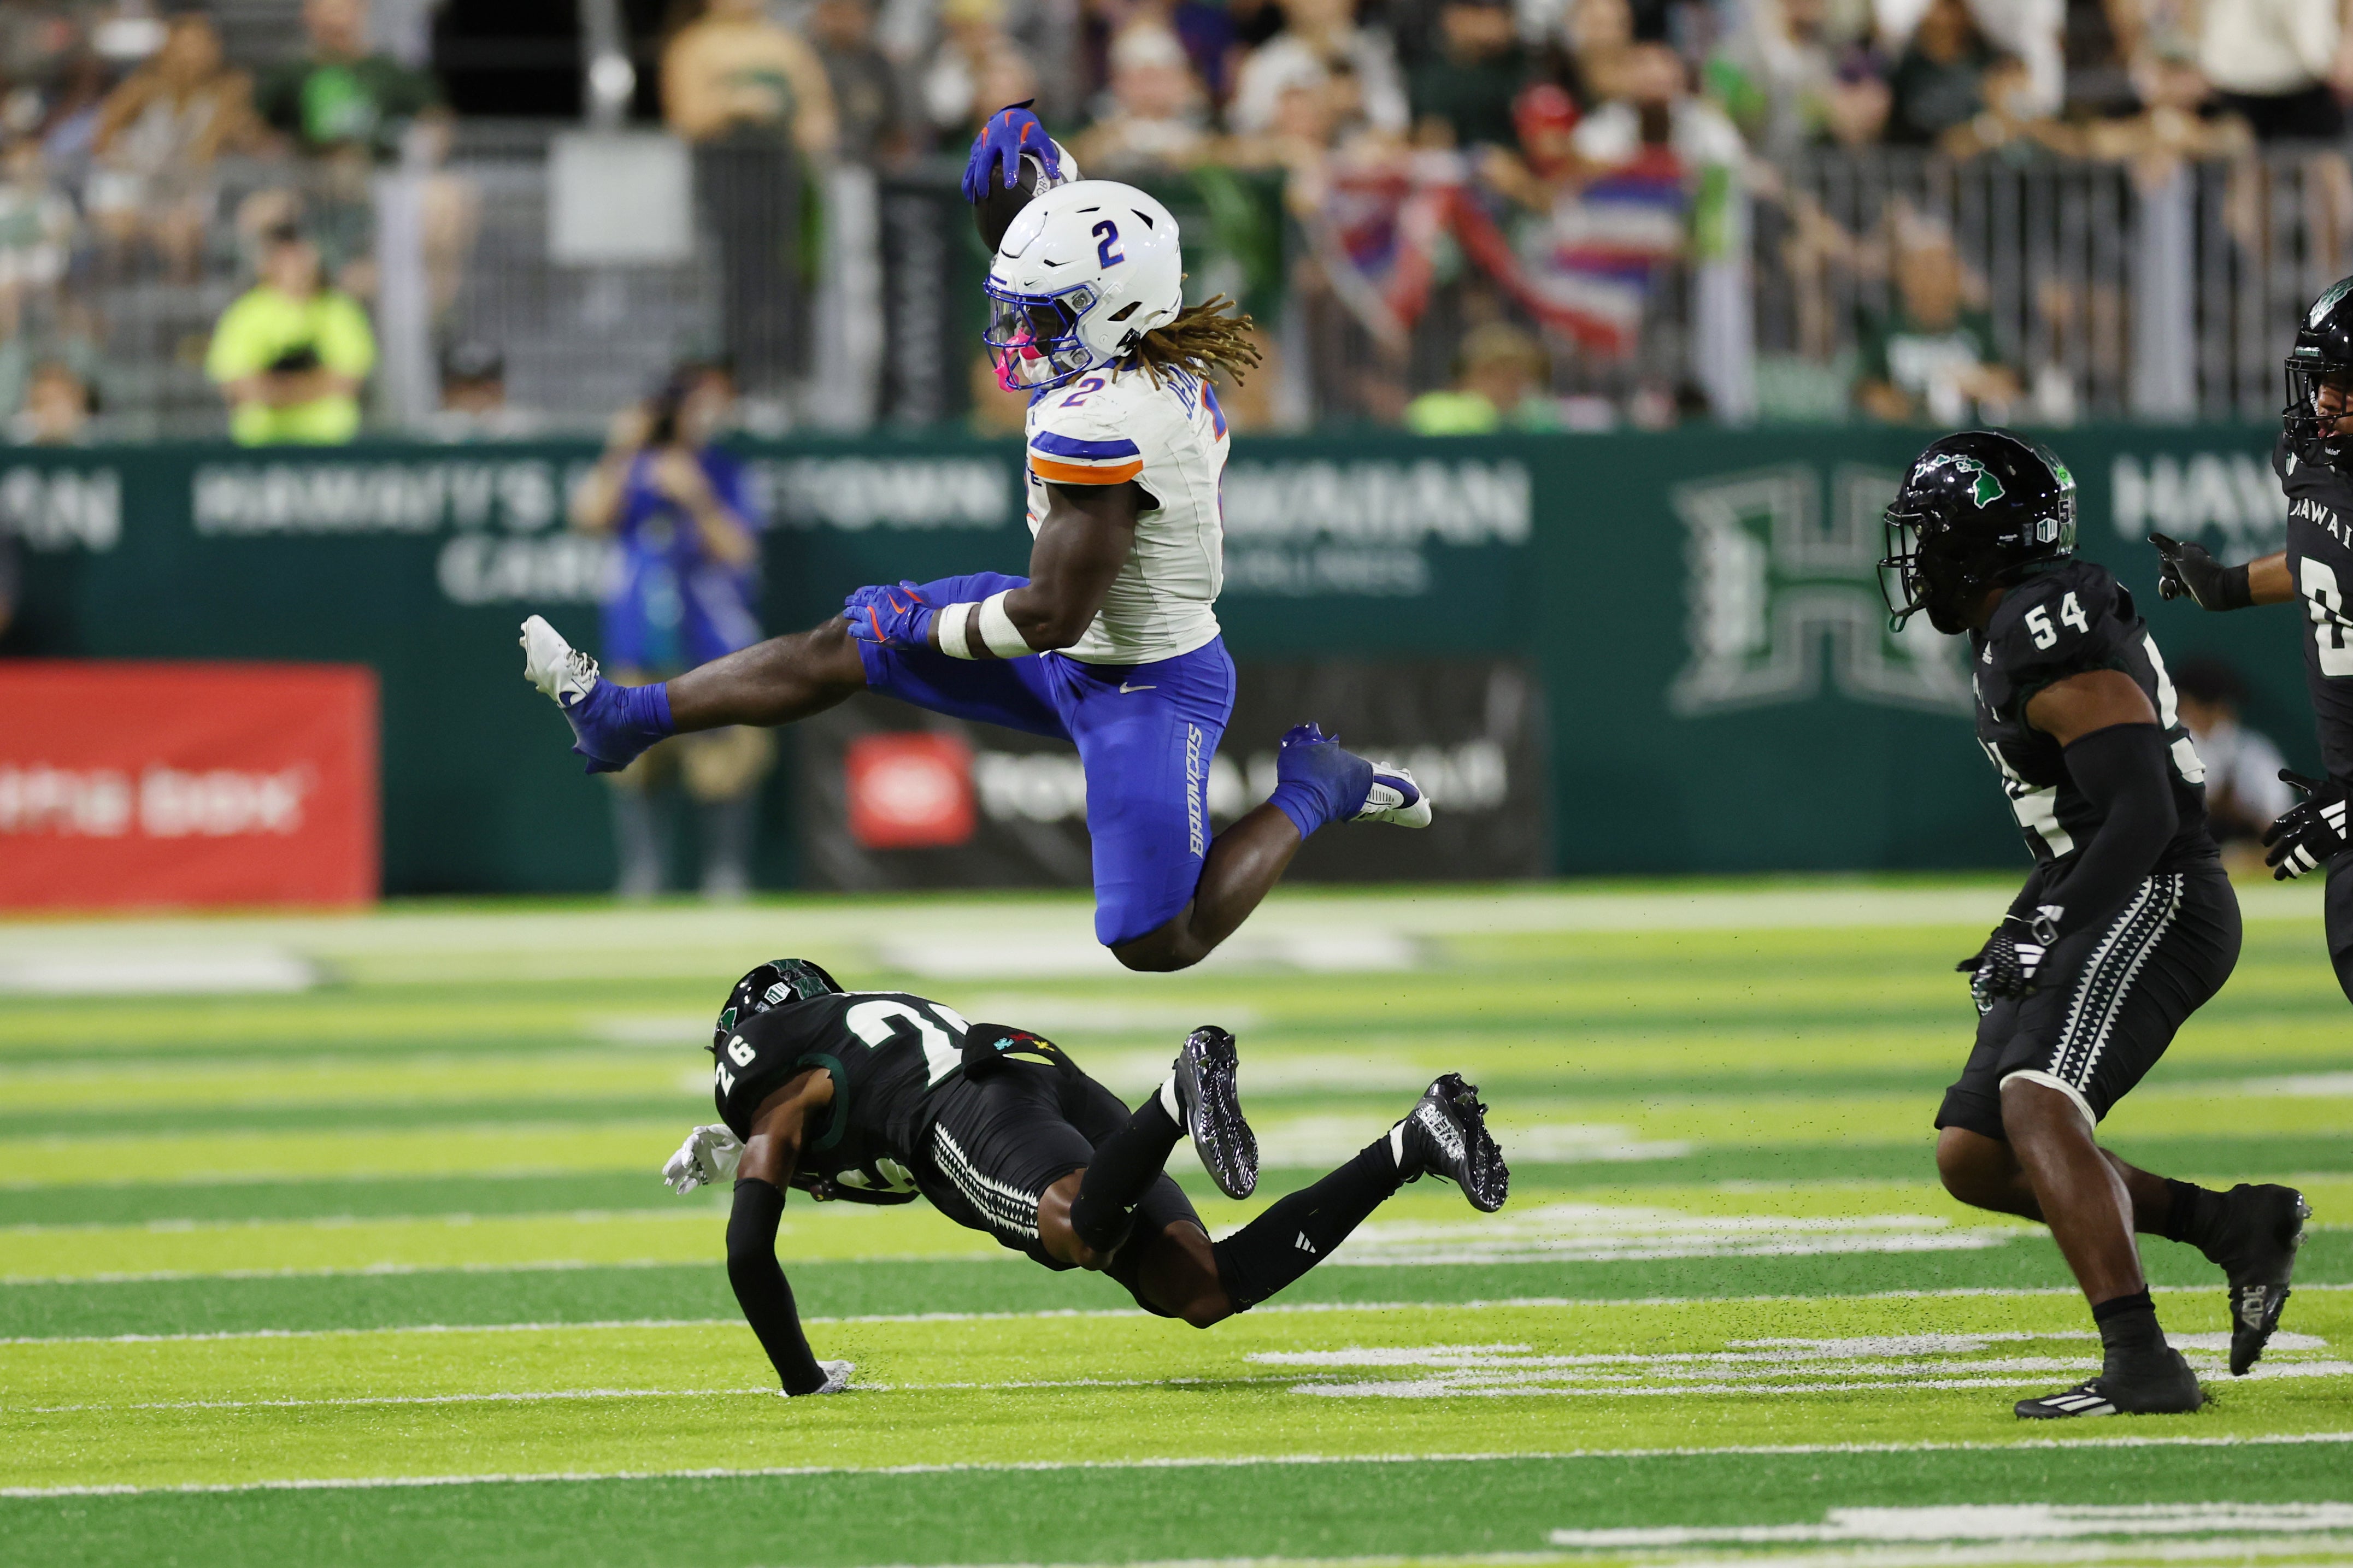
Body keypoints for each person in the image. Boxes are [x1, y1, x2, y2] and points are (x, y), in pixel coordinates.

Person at [522, 115, 1431, 972]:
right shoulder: (1135, 337)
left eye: (1044, 314)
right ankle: (625, 718)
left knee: (1156, 938)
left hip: (1143, 678)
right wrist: (1031, 185)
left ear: (1111, 313)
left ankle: (1318, 786)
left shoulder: (1113, 414)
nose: (1020, 331)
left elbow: (1048, 615)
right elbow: (1088, 250)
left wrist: (921, 626)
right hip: (1082, 641)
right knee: (849, 643)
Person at [1880, 429, 2308, 1418]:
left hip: (2157, 892)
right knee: (1976, 1154)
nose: (1916, 557)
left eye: (1930, 535)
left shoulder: (2044, 625)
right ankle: (2232, 1224)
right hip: (2105, 882)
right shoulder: (2021, 620)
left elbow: (2150, 813)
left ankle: (2143, 1362)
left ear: (1977, 544)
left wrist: (2051, 919)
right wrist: (2028, 916)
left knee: (2036, 1104)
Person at [658, 959, 1509, 1394]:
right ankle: (1414, 1141)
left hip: (965, 1104)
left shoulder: (771, 1085)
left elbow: (748, 1252)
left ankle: (1179, 1096)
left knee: (1073, 1232)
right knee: (1202, 1286)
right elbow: (872, 1157)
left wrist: (801, 1375)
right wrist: (758, 1154)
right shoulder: (853, 1035)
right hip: (1029, 1066)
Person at [2150, 273, 2353, 1002]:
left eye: (2343, 381)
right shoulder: (2314, 462)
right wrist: (2229, 585)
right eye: (2319, 377)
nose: (2322, 399)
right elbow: (2329, 559)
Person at [566, 363, 771, 901]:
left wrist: (695, 496)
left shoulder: (721, 471)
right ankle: (644, 876)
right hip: (640, 637)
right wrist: (619, 452)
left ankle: (726, 875)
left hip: (712, 642)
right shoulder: (628, 473)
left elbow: (740, 551)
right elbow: (586, 516)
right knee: (633, 763)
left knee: (725, 761)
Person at [85, 11, 257, 281]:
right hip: (138, 184)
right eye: (187, 45)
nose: (194, 54)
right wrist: (124, 160)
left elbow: (218, 144)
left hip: (186, 189)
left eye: (203, 44)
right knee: (116, 233)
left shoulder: (229, 90)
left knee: (182, 238)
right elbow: (103, 133)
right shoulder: (145, 86)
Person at [204, 225, 375, 445]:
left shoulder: (340, 311)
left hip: (330, 443)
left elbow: (348, 380)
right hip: (262, 444)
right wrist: (312, 386)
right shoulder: (245, 314)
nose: (298, 269)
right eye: (289, 260)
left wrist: (276, 390)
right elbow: (236, 385)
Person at [1854, 221, 2019, 425]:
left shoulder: (1977, 327)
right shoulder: (1889, 331)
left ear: (1957, 275)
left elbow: (2007, 381)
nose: (1933, 280)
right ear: (1906, 277)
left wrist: (1974, 384)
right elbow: (1867, 389)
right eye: (1926, 267)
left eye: (1942, 267)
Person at [2170, 658, 2295, 852]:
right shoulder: (2163, 752)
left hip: (2245, 862)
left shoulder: (2254, 752)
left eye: (2221, 703)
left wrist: (2240, 813)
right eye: (2206, 703)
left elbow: (2282, 831)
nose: (2218, 712)